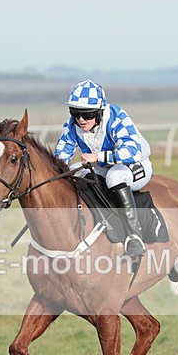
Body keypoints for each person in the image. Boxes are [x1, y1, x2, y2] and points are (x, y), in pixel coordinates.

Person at [54, 80, 152, 257]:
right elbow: (61, 157)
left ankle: (134, 236)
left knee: (114, 177)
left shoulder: (116, 117)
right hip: (103, 166)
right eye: (75, 113)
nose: (81, 120)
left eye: (87, 114)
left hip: (135, 165)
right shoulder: (72, 125)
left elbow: (132, 151)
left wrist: (98, 157)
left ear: (100, 111)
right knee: (77, 173)